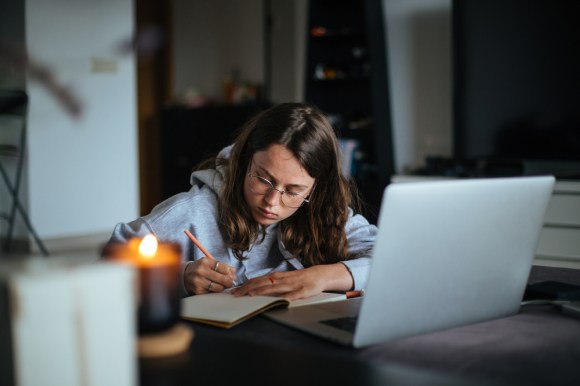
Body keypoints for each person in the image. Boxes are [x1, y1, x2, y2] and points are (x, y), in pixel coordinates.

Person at [105, 102, 377, 300]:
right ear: (246, 159)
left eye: (293, 191)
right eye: (263, 179)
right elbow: (110, 264)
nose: (272, 201)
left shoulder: (326, 211)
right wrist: (181, 275)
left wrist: (322, 276)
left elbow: (389, 256)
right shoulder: (192, 211)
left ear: (316, 189)